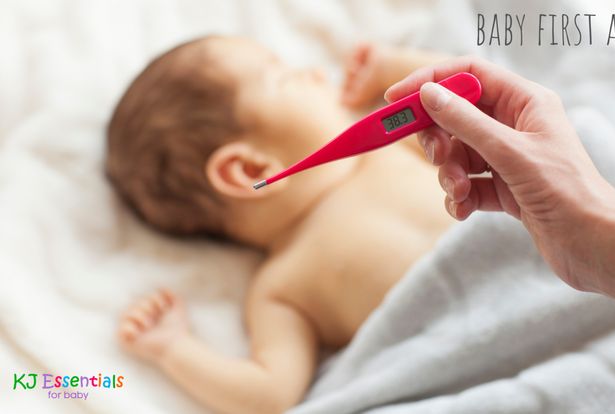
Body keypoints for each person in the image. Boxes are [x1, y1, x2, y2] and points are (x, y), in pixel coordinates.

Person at [107, 36, 457, 414]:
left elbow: (466, 96)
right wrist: (173, 348)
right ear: (251, 169)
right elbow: (268, 394)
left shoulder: (389, 146)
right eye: (286, 77)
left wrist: (391, 67)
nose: (317, 73)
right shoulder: (280, 287)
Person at [384, 55, 615, 353]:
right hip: (464, 314)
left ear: (325, 81)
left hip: (512, 240)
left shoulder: (376, 144)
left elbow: (445, 105)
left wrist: (387, 63)